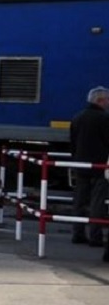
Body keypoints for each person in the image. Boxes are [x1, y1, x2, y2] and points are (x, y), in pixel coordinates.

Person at [69, 86, 109, 253]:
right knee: (97, 202)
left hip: (80, 165)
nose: (108, 103)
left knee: (80, 200)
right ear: (100, 100)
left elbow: (72, 142)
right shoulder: (104, 118)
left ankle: (77, 233)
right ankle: (95, 236)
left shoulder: (77, 117)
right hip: (100, 166)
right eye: (107, 100)